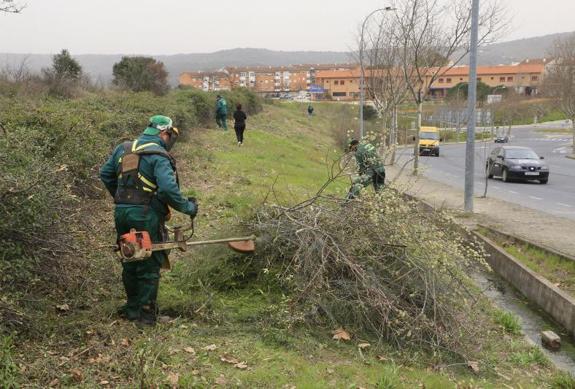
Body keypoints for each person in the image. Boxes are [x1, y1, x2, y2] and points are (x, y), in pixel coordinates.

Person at [100, 115, 198, 327]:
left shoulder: (124, 148)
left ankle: (132, 310)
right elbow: (169, 189)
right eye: (169, 135)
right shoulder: (158, 154)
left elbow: (105, 174)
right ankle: (146, 317)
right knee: (149, 262)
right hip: (146, 214)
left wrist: (122, 198)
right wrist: (189, 207)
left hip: (122, 213)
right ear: (164, 133)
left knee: (129, 257)